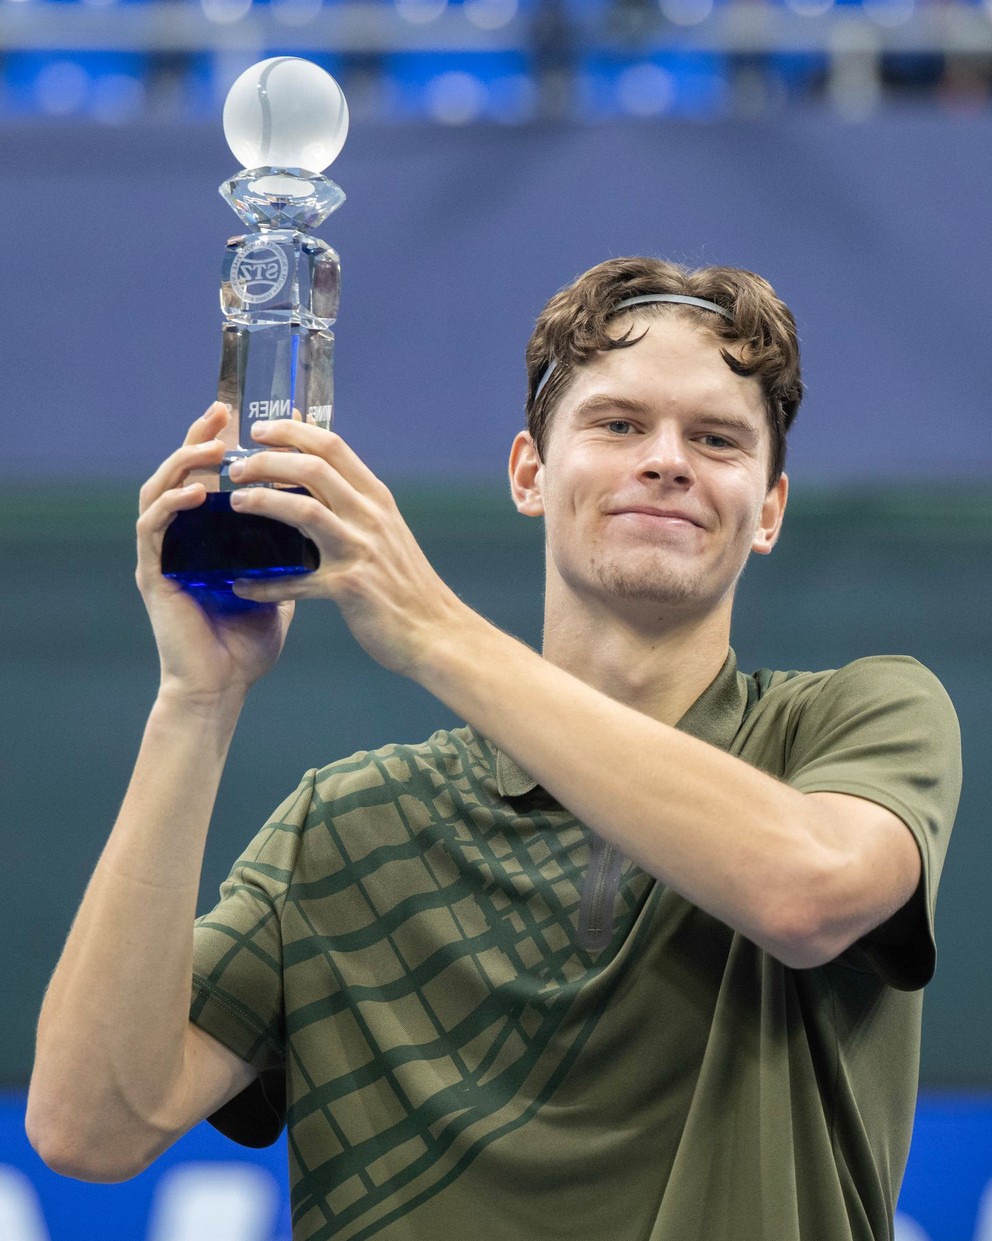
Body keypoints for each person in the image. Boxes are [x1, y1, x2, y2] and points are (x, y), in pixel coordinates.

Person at [27, 256, 961, 1241]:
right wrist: (195, 698)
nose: (667, 458)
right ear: (529, 472)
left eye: (716, 438)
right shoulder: (339, 830)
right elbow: (88, 1125)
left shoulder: (859, 719)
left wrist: (432, 629)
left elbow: (806, 891)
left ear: (766, 508)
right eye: (616, 423)